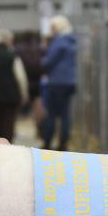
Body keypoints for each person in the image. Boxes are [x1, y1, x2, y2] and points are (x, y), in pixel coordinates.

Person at [40, 15, 78, 150]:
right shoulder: (72, 41)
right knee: (65, 114)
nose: (51, 30)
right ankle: (63, 142)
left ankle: (47, 142)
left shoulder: (59, 41)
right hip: (69, 82)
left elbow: (49, 61)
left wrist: (42, 61)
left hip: (57, 82)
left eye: (53, 27)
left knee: (51, 114)